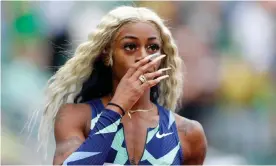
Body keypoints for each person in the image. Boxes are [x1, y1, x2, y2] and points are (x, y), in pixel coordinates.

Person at [39, 6, 207, 165]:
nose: (143, 57)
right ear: (108, 54)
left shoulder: (187, 133)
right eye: (130, 46)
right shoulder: (76, 117)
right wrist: (118, 106)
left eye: (152, 47)